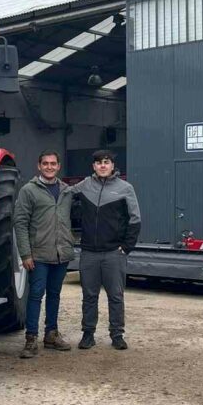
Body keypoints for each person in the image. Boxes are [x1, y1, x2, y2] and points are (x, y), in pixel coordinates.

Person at [73, 150, 141, 350]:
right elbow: (64, 196)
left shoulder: (125, 188)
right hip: (89, 253)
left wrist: (126, 247)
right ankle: (88, 334)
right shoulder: (84, 185)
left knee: (116, 296)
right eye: (98, 163)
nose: (102, 166)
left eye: (106, 162)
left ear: (112, 166)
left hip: (114, 253)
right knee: (89, 296)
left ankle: (117, 334)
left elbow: (135, 219)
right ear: (93, 166)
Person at [13, 150, 75, 359]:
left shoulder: (66, 191)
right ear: (39, 166)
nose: (49, 167)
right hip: (38, 254)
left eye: (53, 164)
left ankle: (51, 334)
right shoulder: (29, 191)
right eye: (45, 164)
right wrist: (25, 254)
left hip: (60, 254)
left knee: (55, 294)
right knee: (36, 295)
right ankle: (31, 339)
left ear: (58, 166)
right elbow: (20, 223)